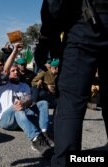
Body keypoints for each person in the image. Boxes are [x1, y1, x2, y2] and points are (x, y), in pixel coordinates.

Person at [38, 0, 108, 166]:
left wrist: (47, 36)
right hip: (86, 19)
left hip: (84, 23)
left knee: (70, 102)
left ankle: (65, 162)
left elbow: (54, 3)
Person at [0, 42, 54, 156]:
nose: (15, 72)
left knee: (42, 103)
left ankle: (44, 133)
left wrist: (23, 103)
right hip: (6, 119)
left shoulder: (24, 86)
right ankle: (36, 140)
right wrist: (15, 51)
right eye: (13, 71)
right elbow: (6, 70)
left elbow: (29, 100)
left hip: (22, 117)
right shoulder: (4, 84)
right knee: (17, 108)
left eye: (17, 70)